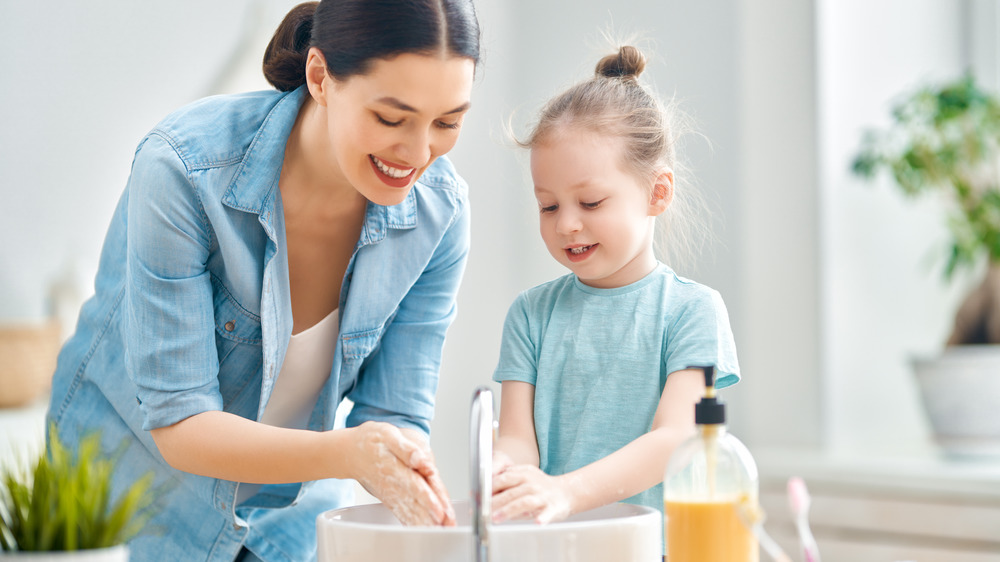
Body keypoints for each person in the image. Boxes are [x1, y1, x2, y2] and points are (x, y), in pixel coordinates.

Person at [46, 1, 480, 560]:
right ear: (321, 77)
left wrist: (408, 476)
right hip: (130, 505)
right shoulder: (184, 170)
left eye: (447, 123)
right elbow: (181, 421)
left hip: (285, 517)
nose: (419, 154)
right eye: (392, 119)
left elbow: (393, 416)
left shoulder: (440, 216)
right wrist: (352, 453)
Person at [490, 45, 741, 527]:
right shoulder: (530, 315)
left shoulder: (692, 311)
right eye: (548, 206)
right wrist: (505, 472)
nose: (566, 225)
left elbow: (676, 440)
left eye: (590, 202)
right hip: (555, 549)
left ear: (657, 192)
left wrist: (566, 492)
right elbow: (519, 440)